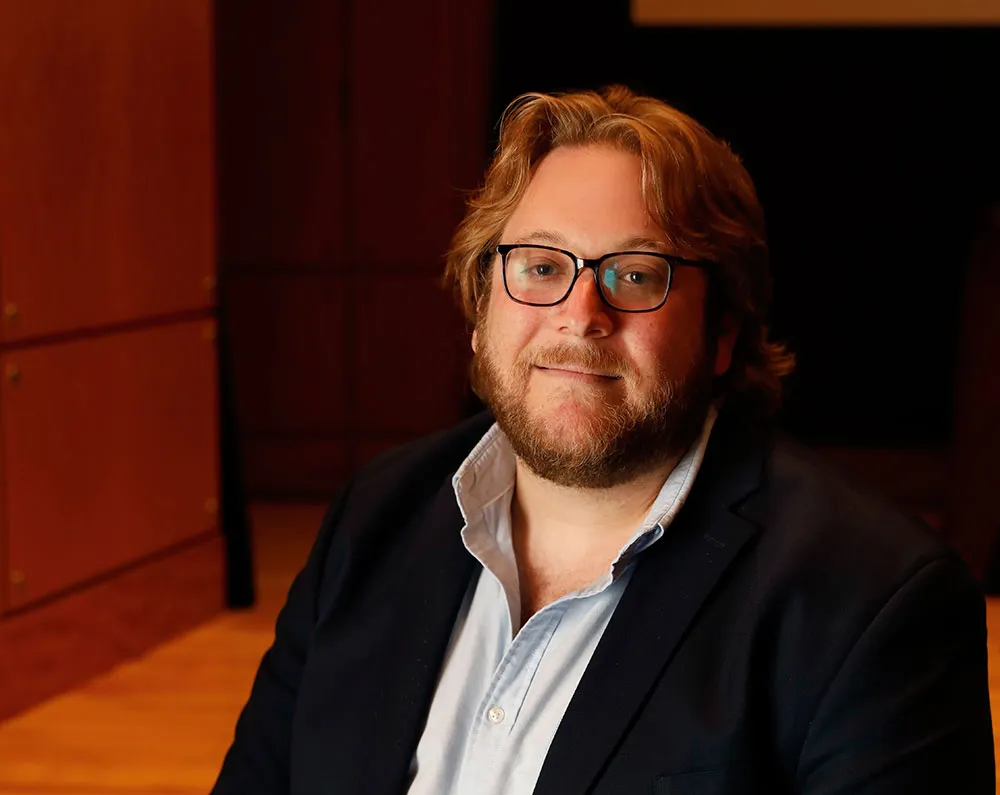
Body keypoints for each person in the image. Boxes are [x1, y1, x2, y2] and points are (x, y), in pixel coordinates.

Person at [212, 86, 994, 794]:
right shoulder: (374, 516)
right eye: (540, 265)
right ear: (481, 308)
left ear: (723, 329)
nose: (581, 314)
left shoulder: (871, 601)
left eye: (636, 274)